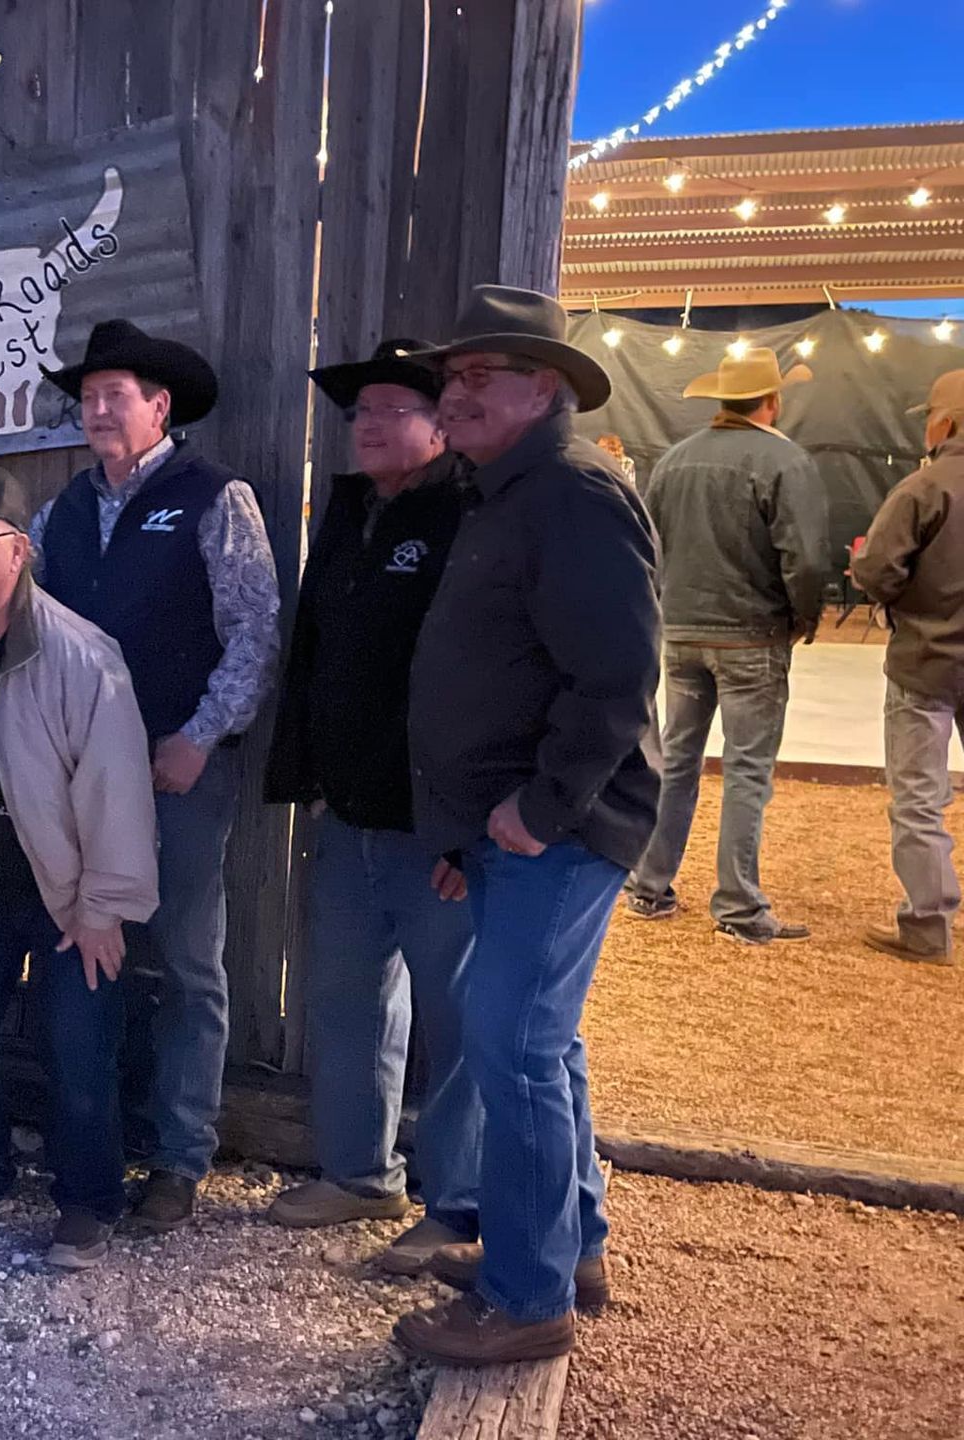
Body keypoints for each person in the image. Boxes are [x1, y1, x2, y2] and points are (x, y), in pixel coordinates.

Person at [393, 286, 660, 1366]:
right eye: (450, 377)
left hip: (560, 828)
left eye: (478, 376)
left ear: (543, 387)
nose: (453, 394)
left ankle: (527, 1298)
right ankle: (568, 1247)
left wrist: (540, 811)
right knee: (539, 1040)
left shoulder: (570, 494)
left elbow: (617, 679)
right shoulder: (505, 492)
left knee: (513, 1046)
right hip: (513, 832)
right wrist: (470, 833)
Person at [31, 318, 281, 1232]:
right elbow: (26, 617)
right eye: (88, 398)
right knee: (94, 953)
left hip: (177, 772)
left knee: (185, 964)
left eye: (116, 396)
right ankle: (101, 1142)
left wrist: (200, 737)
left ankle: (179, 1157)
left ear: (159, 406)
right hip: (83, 778)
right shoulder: (61, 511)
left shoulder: (214, 496)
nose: (98, 410)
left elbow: (255, 629)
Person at [0, 462, 158, 1270]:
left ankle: (89, 1199)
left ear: (19, 552)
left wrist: (104, 907)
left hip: (67, 889)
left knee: (77, 1046)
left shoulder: (80, 656)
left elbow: (118, 788)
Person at [262, 341, 480, 1274]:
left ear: (441, 426)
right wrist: (307, 774)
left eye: (395, 409)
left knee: (460, 1020)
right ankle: (358, 1175)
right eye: (361, 413)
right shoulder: (351, 510)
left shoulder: (468, 514)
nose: (371, 425)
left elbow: (486, 678)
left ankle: (461, 1205)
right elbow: (311, 647)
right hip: (348, 811)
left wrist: (470, 827)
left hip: (436, 825)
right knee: (346, 1000)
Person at [626, 348, 826, 944]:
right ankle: (738, 906)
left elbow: (649, 544)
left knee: (676, 761)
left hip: (681, 632)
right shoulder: (786, 460)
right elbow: (805, 558)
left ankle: (649, 885)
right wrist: (804, 617)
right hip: (753, 636)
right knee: (746, 770)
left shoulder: (674, 459)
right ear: (773, 402)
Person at [851, 369, 964, 966]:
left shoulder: (923, 488)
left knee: (920, 798)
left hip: (926, 661)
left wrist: (898, 598)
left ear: (944, 424)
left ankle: (928, 923)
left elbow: (875, 570)